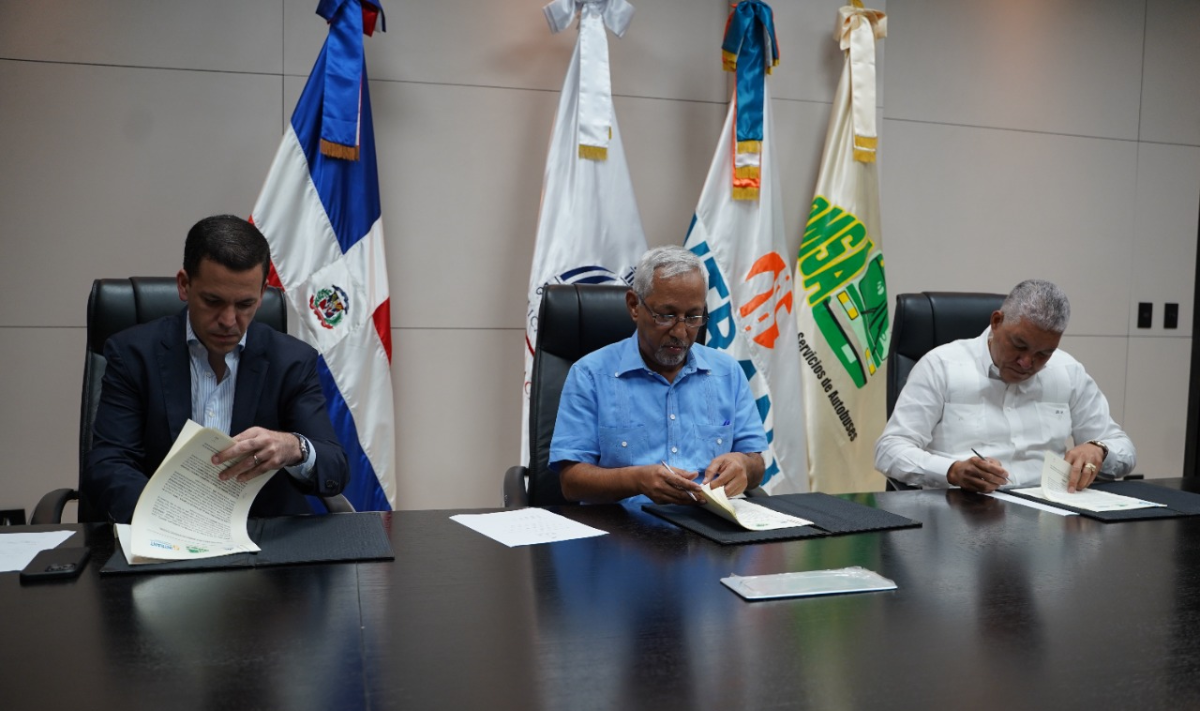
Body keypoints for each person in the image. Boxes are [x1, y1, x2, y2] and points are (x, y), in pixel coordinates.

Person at [84, 215, 349, 523]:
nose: (228, 320)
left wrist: (295, 448)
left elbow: (335, 468)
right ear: (184, 285)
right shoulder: (133, 354)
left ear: (263, 293)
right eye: (213, 301)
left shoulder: (291, 360)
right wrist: (167, 516)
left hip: (263, 546)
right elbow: (109, 463)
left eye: (245, 304)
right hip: (162, 534)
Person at [550, 246, 768, 505]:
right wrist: (635, 481)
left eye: (693, 317)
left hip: (710, 527)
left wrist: (743, 464)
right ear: (634, 306)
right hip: (623, 530)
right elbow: (571, 482)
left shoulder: (727, 373)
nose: (680, 331)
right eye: (666, 316)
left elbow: (756, 464)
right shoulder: (590, 375)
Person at [875, 279, 1135, 493]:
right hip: (963, 512)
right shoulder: (941, 366)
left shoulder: (1068, 372)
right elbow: (890, 450)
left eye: (1043, 353)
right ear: (997, 322)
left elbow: (1124, 450)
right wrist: (951, 470)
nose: (1026, 363)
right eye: (1019, 345)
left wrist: (1099, 449)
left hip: (1050, 518)